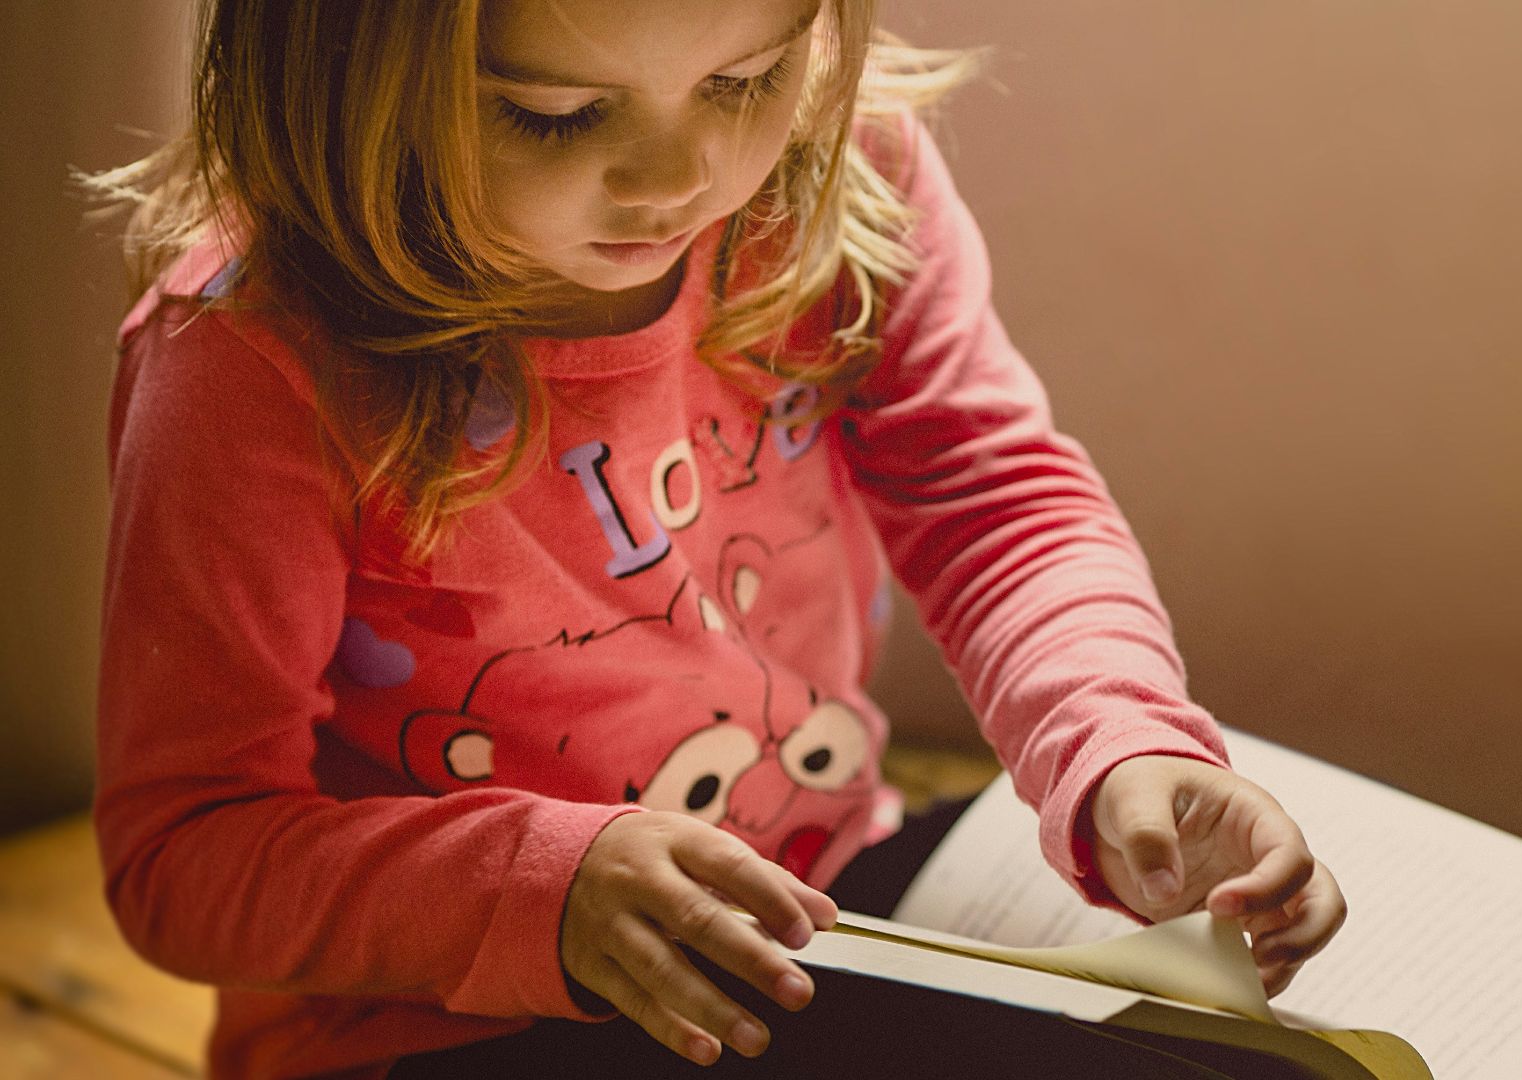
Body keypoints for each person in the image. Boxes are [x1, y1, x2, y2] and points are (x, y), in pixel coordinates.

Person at [88, 0, 1347, 1076]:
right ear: (332, 61)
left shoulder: (835, 181)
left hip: (823, 914)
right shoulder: (249, 366)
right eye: (554, 112)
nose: (676, 178)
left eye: (746, 79)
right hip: (432, 1034)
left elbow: (992, 499)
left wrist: (1116, 735)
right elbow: (184, 856)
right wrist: (547, 888)